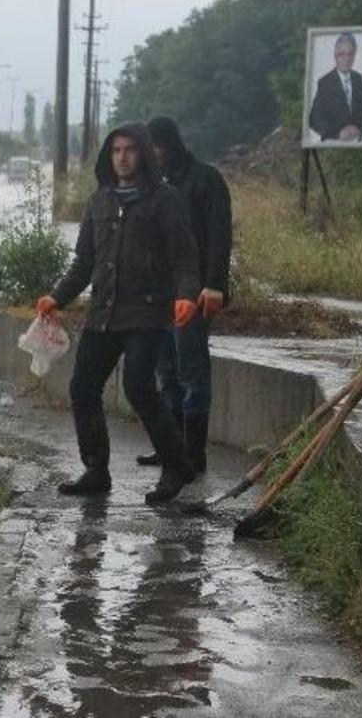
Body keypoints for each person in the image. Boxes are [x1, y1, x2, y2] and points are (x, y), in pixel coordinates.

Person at [37, 124, 200, 504]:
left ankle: (177, 465)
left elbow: (184, 255)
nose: (122, 156)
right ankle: (96, 470)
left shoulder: (165, 200)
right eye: (116, 150)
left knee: (139, 387)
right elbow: (84, 262)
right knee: (83, 387)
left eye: (130, 149)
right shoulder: (100, 201)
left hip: (147, 311)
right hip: (104, 311)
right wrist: (56, 297)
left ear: (143, 154)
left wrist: (187, 294)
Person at [135, 116, 233, 474]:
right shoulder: (156, 184)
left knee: (192, 373)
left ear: (169, 145)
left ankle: (194, 455)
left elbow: (219, 237)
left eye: (154, 148)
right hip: (158, 298)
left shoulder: (205, 180)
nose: (151, 155)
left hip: (194, 294)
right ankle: (171, 449)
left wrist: (214, 285)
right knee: (166, 374)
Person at [309, 32, 362, 142]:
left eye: (350, 54)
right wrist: (338, 133)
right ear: (335, 55)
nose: (347, 58)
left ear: (354, 55)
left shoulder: (358, 79)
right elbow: (314, 119)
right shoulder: (324, 82)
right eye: (342, 54)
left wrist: (359, 128)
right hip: (333, 143)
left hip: (357, 144)